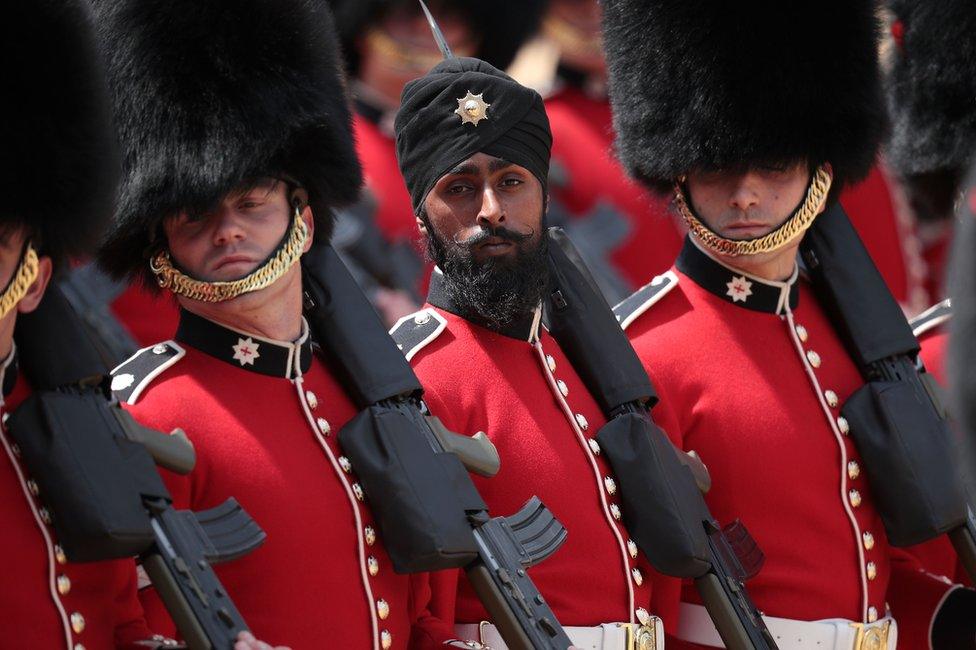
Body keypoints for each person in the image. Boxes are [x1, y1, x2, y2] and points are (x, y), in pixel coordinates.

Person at [603, 1, 975, 648]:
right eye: (717, 166)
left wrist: (950, 616)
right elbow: (645, 597)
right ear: (679, 170)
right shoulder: (642, 353)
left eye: (774, 166)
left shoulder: (855, 339)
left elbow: (876, 571)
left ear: (820, 170)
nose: (745, 193)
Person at [93, 1, 456, 647]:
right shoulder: (148, 416)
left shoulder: (363, 392)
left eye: (251, 204)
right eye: (193, 219)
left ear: (304, 221)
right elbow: (121, 620)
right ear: (161, 250)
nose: (227, 229)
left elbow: (420, 604)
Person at [389, 53, 675, 649]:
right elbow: (416, 618)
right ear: (422, 217)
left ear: (543, 199)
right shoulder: (414, 380)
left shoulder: (595, 359)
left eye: (512, 182)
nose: (491, 211)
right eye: (461, 188)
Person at [327, 0, 546, 324]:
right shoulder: (333, 142)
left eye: (451, 13)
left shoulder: (493, 143)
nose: (421, 27)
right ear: (364, 28)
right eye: (401, 14)